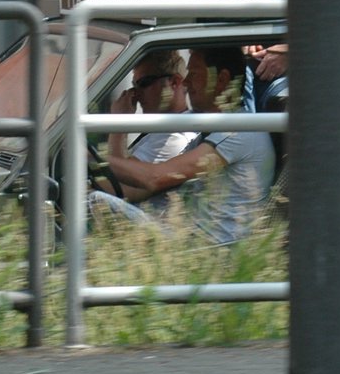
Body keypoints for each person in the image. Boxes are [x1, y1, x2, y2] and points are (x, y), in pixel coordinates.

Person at [105, 46, 276, 245]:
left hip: (209, 254)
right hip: (188, 241)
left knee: (98, 203)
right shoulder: (211, 131)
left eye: (193, 74)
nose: (186, 82)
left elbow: (154, 177)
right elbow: (138, 189)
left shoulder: (239, 131)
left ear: (221, 80)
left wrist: (84, 158)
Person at [106, 49, 198, 165]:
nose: (136, 94)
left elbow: (118, 179)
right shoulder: (162, 130)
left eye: (144, 83)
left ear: (174, 82)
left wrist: (119, 122)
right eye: (134, 86)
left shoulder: (174, 137)